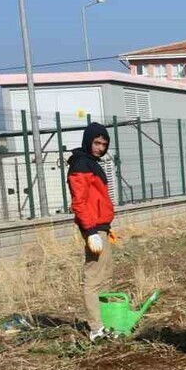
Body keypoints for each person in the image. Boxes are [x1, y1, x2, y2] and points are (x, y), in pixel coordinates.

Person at [69, 122, 116, 342]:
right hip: (93, 229)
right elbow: (79, 203)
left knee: (105, 275)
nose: (100, 148)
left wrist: (105, 228)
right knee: (93, 277)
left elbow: (97, 200)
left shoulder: (91, 163)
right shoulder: (80, 164)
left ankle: (106, 323)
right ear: (88, 141)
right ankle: (96, 328)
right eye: (96, 143)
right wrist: (91, 232)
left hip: (101, 228)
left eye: (104, 144)